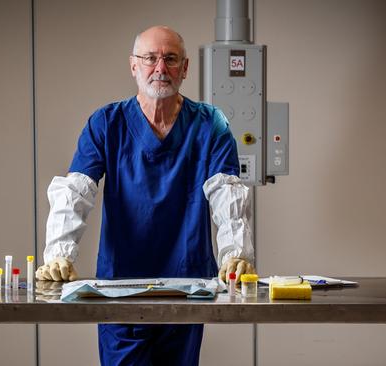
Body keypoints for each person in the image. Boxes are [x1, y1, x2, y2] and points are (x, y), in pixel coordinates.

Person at [36, 25, 254, 366]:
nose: (160, 68)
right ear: (133, 65)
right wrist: (58, 254)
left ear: (184, 68)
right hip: (120, 286)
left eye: (170, 59)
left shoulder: (211, 125)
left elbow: (228, 194)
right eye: (150, 58)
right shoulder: (106, 123)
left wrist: (236, 253)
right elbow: (76, 190)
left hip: (188, 284)